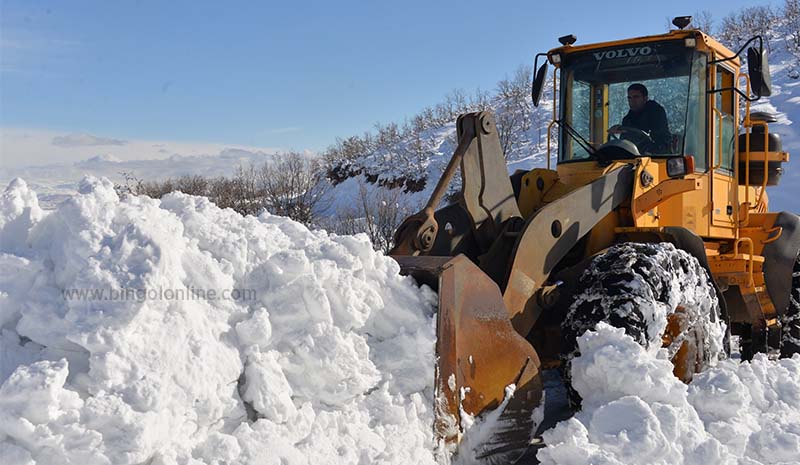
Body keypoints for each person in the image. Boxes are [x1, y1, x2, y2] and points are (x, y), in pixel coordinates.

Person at [609, 83, 671, 153]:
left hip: (657, 153)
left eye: (636, 97)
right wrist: (619, 130)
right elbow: (627, 141)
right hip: (634, 155)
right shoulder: (627, 118)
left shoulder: (656, 112)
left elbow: (655, 136)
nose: (632, 101)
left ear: (645, 98)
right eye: (629, 98)